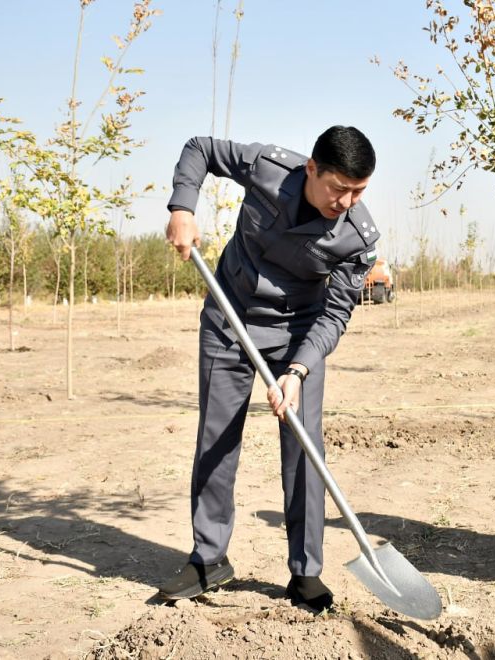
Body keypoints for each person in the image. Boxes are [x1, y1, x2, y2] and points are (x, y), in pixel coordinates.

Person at [159, 126, 379, 613]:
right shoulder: (266, 168)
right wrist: (182, 207)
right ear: (311, 170)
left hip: (300, 335)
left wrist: (298, 370)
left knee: (304, 449)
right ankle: (209, 558)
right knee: (216, 440)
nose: (346, 201)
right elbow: (200, 149)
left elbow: (336, 313)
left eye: (358, 191)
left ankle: (306, 573)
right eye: (338, 187)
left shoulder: (358, 237)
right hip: (229, 317)